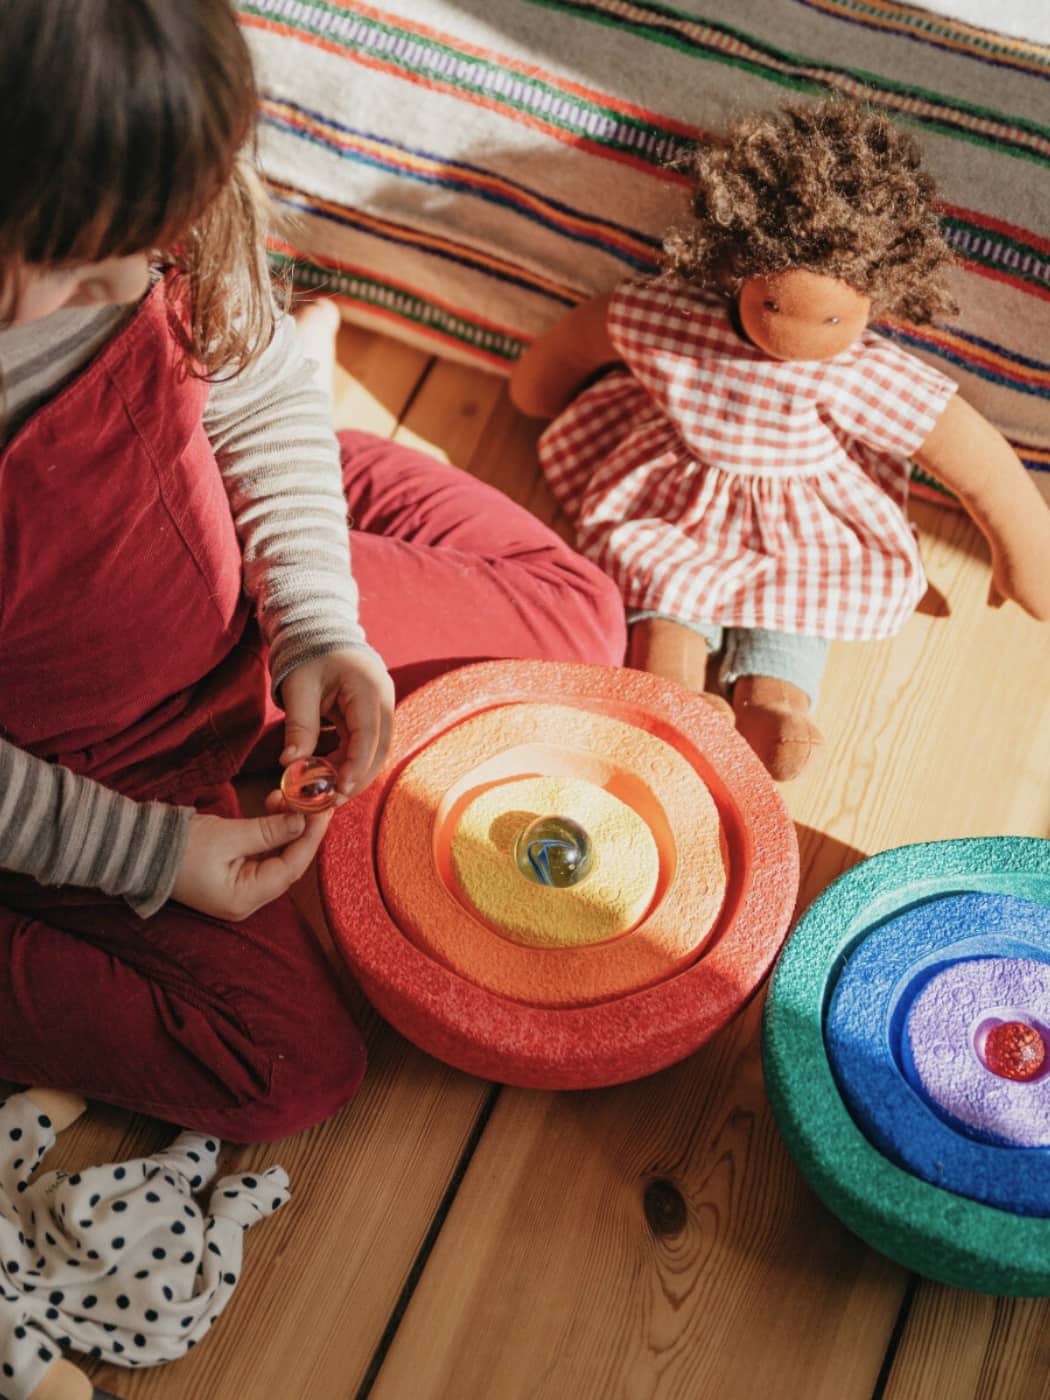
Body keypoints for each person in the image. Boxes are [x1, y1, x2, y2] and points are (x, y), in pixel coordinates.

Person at [0, 0, 625, 1145]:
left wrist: (317, 618)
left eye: (156, 245)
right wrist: (147, 853)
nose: (135, 280)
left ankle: (275, 514)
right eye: (83, 268)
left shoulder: (141, 171)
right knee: (285, 1066)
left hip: (221, 590)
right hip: (80, 768)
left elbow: (254, 378)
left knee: (577, 615)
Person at [511, 100, 1050, 780]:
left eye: (832, 320)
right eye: (773, 305)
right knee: (657, 576)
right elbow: (584, 338)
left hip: (806, 523)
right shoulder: (673, 320)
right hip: (679, 496)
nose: (799, 337)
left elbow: (972, 458)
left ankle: (775, 704)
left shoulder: (862, 373)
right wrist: (538, 386)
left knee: (802, 599)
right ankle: (673, 697)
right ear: (741, 263)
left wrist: (1025, 550)